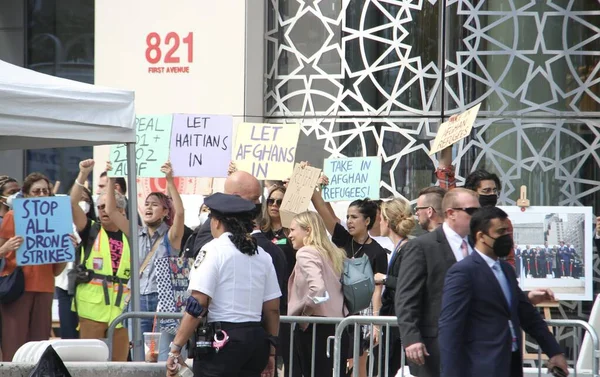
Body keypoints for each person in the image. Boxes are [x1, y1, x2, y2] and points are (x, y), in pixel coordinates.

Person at [438, 206, 569, 377]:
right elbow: (450, 327)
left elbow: (527, 315)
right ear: (481, 236)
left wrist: (554, 351)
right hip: (480, 366)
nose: (507, 237)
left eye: (508, 232)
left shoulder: (506, 270)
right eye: (500, 232)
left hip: (510, 363)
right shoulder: (463, 272)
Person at [166, 193, 281, 377]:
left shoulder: (213, 250)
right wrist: (272, 350)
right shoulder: (262, 255)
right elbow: (273, 310)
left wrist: (176, 346)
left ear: (217, 222)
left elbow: (199, 302)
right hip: (256, 341)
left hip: (223, 342)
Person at [394, 188, 480, 377]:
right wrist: (411, 338)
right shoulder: (422, 247)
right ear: (451, 213)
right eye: (472, 212)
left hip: (475, 346)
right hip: (434, 349)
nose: (478, 217)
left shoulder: (479, 245)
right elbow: (406, 297)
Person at [311, 175, 387, 377]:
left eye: (354, 217)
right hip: (338, 310)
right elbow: (322, 210)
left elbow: (378, 289)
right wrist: (311, 182)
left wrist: (376, 324)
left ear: (367, 220)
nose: (349, 221)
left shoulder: (378, 252)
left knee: (359, 366)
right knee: (337, 363)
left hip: (363, 315)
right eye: (348, 216)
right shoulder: (343, 239)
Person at [105, 161, 184, 336]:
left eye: (155, 204)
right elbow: (111, 211)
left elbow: (179, 213)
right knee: (138, 352)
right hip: (137, 299)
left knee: (161, 353)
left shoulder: (171, 236)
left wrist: (170, 181)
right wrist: (111, 180)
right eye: (147, 204)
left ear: (165, 212)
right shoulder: (136, 232)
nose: (148, 207)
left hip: (162, 300)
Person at [0, 173, 69, 361]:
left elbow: (57, 270)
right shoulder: (12, 216)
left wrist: (65, 250)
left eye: (45, 191)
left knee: (39, 346)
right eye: (36, 191)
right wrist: (6, 248)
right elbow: (1, 249)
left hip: (45, 289)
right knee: (13, 345)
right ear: (27, 195)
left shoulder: (57, 220)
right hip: (17, 288)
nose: (41, 195)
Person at [70, 159, 130, 361]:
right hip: (91, 312)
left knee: (119, 368)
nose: (103, 210)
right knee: (90, 367)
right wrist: (83, 174)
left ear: (121, 211)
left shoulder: (131, 236)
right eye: (100, 206)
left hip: (121, 315)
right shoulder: (91, 229)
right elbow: (72, 204)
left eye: (107, 206)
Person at [287, 211, 349, 377]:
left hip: (315, 327)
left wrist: (305, 316)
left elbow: (319, 290)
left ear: (308, 230)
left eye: (293, 230)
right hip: (337, 325)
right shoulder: (331, 252)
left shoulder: (306, 252)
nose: (289, 235)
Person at [373, 198, 415, 375]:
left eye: (381, 219)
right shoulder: (399, 248)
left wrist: (384, 279)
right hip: (393, 325)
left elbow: (409, 284)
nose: (379, 223)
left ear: (388, 221)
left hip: (401, 327)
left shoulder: (408, 249)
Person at [54, 186, 95, 340]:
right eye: (78, 199)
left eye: (85, 200)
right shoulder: (58, 224)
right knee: (68, 331)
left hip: (86, 285)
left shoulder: (93, 227)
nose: (81, 203)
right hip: (64, 285)